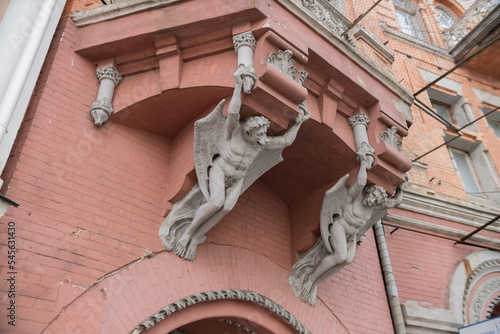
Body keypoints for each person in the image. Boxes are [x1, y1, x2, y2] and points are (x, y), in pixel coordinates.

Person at [173, 65, 309, 260]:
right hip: (220, 170)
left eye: (264, 133)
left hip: (237, 178)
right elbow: (234, 112)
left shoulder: (260, 144)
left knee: (226, 207)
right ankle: (188, 232)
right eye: (259, 134)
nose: (263, 137)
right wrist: (238, 86)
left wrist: (299, 123)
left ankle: (195, 237)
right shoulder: (234, 133)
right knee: (216, 202)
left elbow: (285, 141)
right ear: (249, 132)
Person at [291, 143, 405, 304]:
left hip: (351, 237)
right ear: (368, 192)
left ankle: (315, 282)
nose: (371, 200)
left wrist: (401, 188)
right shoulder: (355, 198)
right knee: (340, 256)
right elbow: (360, 182)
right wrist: (364, 165)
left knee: (347, 260)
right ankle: (310, 279)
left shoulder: (372, 208)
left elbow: (394, 202)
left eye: (375, 200)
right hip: (340, 227)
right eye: (372, 196)